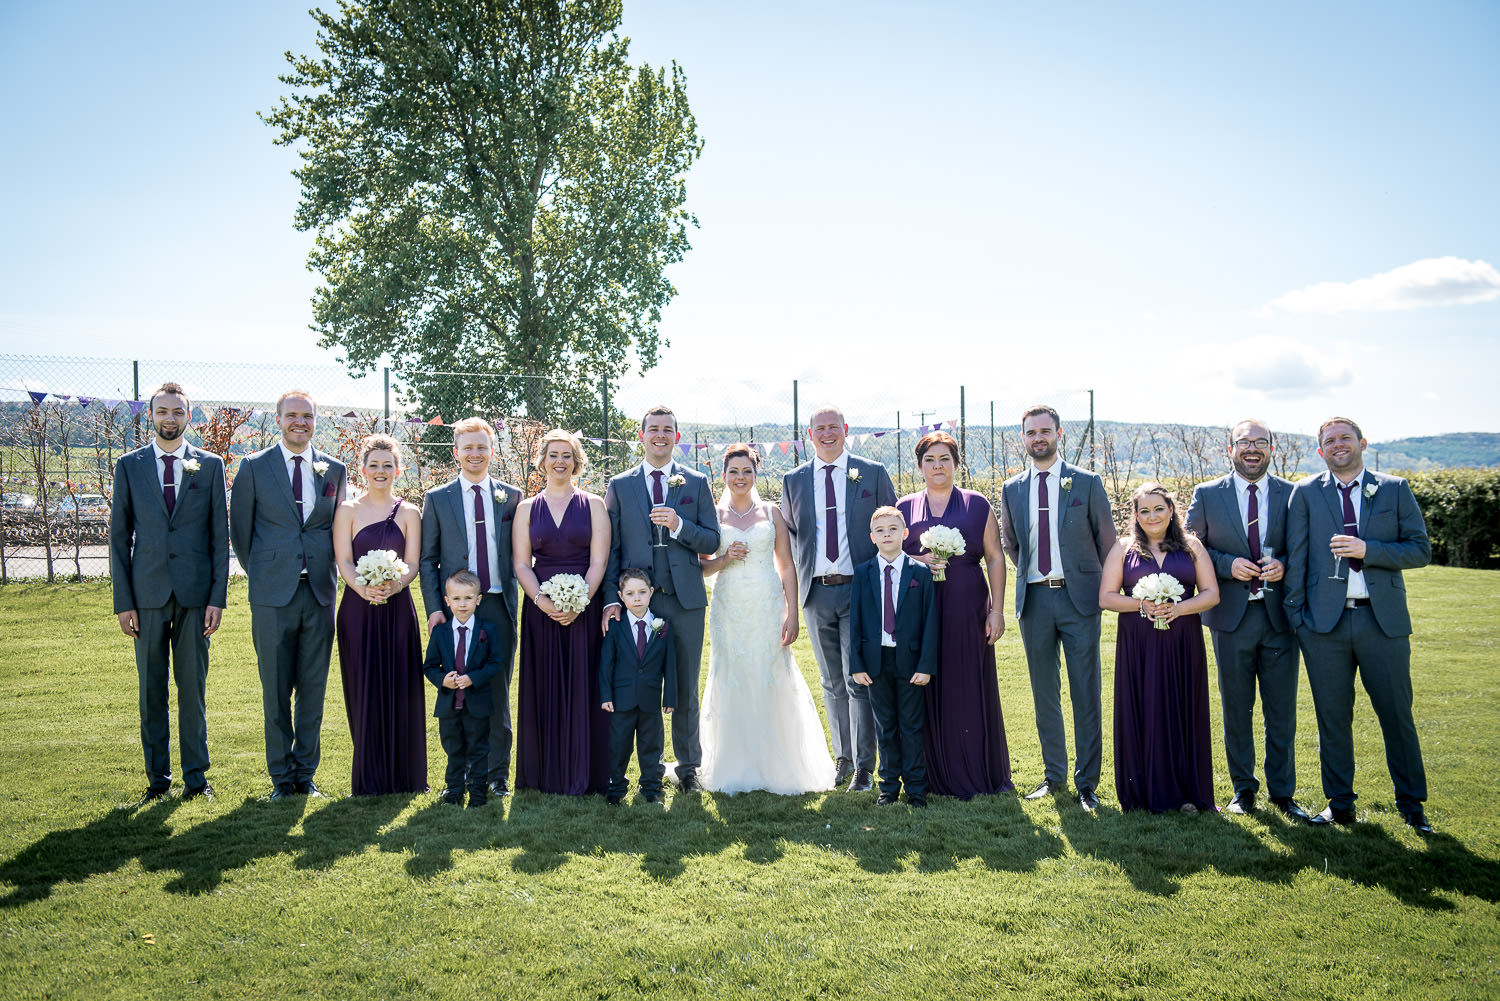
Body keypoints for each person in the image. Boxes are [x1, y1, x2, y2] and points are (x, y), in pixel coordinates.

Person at [1285, 417, 1433, 833]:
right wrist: (1298, 620)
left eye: (1345, 438)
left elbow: (1420, 550)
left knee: (1396, 715)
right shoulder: (1306, 493)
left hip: (1381, 622)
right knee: (1332, 717)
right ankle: (1340, 803)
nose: (1338, 445)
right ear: (1320, 451)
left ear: (1362, 443)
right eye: (1329, 441)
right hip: (1323, 628)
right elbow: (1296, 558)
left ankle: (1412, 804)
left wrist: (1370, 550)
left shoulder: (1393, 489)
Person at [1185, 420, 1311, 822]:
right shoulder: (1206, 495)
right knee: (1236, 709)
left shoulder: (1293, 495)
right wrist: (1226, 564)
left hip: (1278, 617)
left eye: (1260, 443)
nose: (1252, 449)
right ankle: (1243, 789)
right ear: (1230, 449)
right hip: (1230, 618)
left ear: (1271, 449)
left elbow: (1302, 549)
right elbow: (1190, 547)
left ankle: (1283, 792)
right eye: (1244, 442)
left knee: (1281, 710)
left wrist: (1284, 565)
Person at [108, 382, 228, 802]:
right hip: (147, 595)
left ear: (188, 416)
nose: (170, 419)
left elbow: (220, 537)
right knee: (151, 690)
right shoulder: (130, 465)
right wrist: (124, 603)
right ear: (151, 416)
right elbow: (118, 537)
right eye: (162, 411)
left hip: (197, 597)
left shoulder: (210, 466)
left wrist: (217, 598)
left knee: (193, 690)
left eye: (178, 412)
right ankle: (157, 781)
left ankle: (197, 778)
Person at [230, 390, 347, 800]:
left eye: (308, 416)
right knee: (276, 689)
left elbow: (337, 528)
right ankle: (281, 778)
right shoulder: (254, 467)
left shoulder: (334, 469)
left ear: (316, 421)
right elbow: (240, 534)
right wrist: (267, 570)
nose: (301, 422)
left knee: (313, 687)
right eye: (293, 415)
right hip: (272, 594)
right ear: (278, 419)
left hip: (319, 592)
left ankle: (306, 774)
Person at [999, 404, 1116, 812]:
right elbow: (1012, 543)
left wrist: (1091, 583)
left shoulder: (1086, 483)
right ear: (1023, 438)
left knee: (1086, 691)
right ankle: (1054, 776)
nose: (1038, 439)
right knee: (1044, 692)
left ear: (1059, 433)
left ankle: (1088, 783)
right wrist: (1036, 575)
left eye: (1045, 431)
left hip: (1079, 598)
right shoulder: (1012, 488)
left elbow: (1108, 542)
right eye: (1031, 433)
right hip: (1035, 600)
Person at [697, 445, 834, 795]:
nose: (740, 478)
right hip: (730, 606)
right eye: (734, 471)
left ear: (756, 475)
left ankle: (777, 764)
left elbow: (786, 565)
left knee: (770, 673)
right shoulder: (712, 514)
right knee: (732, 673)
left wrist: (792, 612)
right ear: (723, 475)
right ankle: (734, 762)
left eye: (747, 471)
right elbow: (701, 567)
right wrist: (725, 557)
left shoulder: (772, 512)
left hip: (766, 604)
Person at [602, 406, 720, 792]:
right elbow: (612, 549)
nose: (660, 435)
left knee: (684, 686)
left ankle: (689, 769)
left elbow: (712, 540)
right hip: (639, 602)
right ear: (641, 435)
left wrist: (679, 524)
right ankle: (644, 771)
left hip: (685, 601)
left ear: (677, 437)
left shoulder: (697, 482)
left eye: (667, 430)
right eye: (653, 429)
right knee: (640, 685)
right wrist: (611, 599)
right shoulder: (620, 485)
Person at [779, 405, 896, 793]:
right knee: (830, 681)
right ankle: (842, 758)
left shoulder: (873, 473)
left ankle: (865, 765)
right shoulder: (793, 480)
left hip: (861, 590)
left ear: (845, 430)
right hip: (816, 593)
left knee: (857, 678)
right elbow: (792, 539)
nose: (827, 433)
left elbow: (891, 527)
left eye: (833, 427)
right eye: (819, 428)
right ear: (809, 434)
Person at [897, 431, 1012, 799]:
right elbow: (891, 556)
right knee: (923, 684)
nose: (937, 466)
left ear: (956, 463)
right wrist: (919, 559)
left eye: (944, 458)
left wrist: (996, 610)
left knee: (966, 682)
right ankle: (930, 774)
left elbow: (995, 557)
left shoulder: (977, 504)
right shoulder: (905, 507)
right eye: (929, 460)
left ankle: (975, 772)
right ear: (919, 466)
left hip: (967, 606)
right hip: (920, 608)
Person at [1100, 482, 1219, 813]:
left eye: (1159, 509)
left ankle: (1186, 793)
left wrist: (1179, 608)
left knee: (1182, 706)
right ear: (1135, 515)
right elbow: (1106, 596)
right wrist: (1141, 605)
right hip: (1139, 642)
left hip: (1183, 641)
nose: (1152, 516)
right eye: (1144, 510)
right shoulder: (1123, 548)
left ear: (1171, 511)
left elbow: (1211, 593)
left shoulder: (1191, 545)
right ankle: (1142, 793)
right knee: (1144, 705)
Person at [419, 416, 521, 797]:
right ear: (456, 452)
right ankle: (459, 773)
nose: (475, 454)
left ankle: (496, 775)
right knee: (455, 689)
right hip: (455, 608)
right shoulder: (438, 498)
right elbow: (428, 560)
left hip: (496, 603)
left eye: (482, 447)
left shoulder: (511, 497)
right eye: (468, 447)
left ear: (491, 451)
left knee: (495, 688)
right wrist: (434, 608)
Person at [514, 429, 611, 795]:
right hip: (540, 607)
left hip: (584, 607)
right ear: (542, 461)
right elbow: (522, 564)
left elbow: (599, 559)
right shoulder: (526, 508)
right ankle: (542, 774)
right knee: (544, 685)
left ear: (576, 461)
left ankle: (586, 771)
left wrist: (579, 600)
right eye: (553, 454)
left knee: (585, 683)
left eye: (566, 455)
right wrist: (543, 601)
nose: (559, 461)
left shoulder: (595, 505)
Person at [333, 434, 426, 796]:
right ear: (362, 469)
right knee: (363, 686)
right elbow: (343, 559)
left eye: (388, 465)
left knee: (402, 688)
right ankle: (370, 774)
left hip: (398, 610)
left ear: (399, 469)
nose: (381, 471)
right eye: (374, 465)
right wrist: (363, 587)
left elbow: (413, 563)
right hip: (357, 609)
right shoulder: (347, 510)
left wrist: (395, 586)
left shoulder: (409, 513)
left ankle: (406, 777)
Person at [849, 507, 939, 807]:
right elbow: (857, 623)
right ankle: (888, 787)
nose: (887, 534)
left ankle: (916, 788)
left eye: (892, 529)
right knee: (885, 727)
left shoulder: (920, 574)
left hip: (910, 662)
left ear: (905, 533)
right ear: (872, 537)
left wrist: (926, 665)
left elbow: (930, 622)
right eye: (880, 530)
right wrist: (857, 664)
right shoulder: (863, 574)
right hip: (876, 662)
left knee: (911, 726)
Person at [424, 571, 507, 808]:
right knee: (453, 748)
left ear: (478, 600)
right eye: (457, 599)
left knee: (479, 748)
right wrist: (443, 680)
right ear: (447, 600)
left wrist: (473, 678)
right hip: (449, 705)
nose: (462, 604)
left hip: (477, 703)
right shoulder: (440, 633)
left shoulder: (487, 630)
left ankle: (478, 793)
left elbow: (496, 662)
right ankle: (454, 791)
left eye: (468, 598)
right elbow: (429, 666)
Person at [600, 568, 677, 805]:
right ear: (621, 596)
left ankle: (651, 787)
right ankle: (616, 787)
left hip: (651, 699)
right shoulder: (615, 627)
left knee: (651, 745)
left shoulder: (663, 626)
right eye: (630, 593)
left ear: (651, 593)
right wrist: (605, 695)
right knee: (619, 745)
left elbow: (670, 666)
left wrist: (670, 698)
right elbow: (606, 665)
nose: (637, 598)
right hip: (621, 700)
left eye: (642, 592)